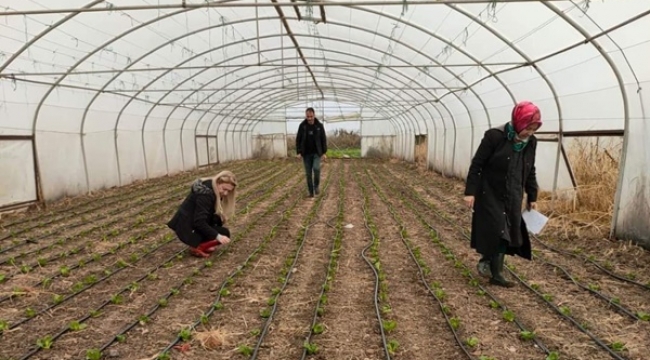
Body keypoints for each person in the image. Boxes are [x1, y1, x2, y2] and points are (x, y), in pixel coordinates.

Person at [463, 101, 542, 287]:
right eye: (527, 128)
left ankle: (490, 264)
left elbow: (531, 170)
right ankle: (496, 272)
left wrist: (532, 197)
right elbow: (477, 165)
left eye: (533, 129)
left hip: (514, 193)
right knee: (497, 228)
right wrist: (470, 192)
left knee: (507, 231)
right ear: (519, 122)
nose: (529, 133)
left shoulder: (531, 143)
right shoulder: (495, 137)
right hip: (491, 191)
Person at [167, 171, 237, 258]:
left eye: (229, 191)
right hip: (186, 227)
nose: (226, 193)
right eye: (224, 189)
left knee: (218, 219)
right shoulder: (205, 195)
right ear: (218, 183)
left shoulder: (212, 188)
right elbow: (199, 222)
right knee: (224, 234)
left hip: (190, 222)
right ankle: (198, 246)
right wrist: (217, 236)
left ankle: (203, 243)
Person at [295, 107, 327, 197]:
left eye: (311, 116)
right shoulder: (302, 126)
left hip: (317, 153)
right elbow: (298, 139)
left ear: (314, 115)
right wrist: (299, 152)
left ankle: (316, 186)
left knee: (316, 169)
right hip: (306, 154)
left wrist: (324, 152)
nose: (309, 118)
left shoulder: (319, 126)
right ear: (306, 116)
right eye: (308, 116)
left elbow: (323, 139)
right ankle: (310, 192)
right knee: (308, 174)